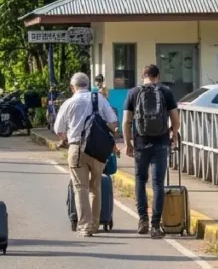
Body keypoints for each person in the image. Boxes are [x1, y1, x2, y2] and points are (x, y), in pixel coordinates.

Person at [53, 72, 119, 237]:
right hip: (98, 149)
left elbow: (58, 129)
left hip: (77, 148)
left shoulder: (69, 102)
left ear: (72, 87)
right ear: (88, 85)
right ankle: (95, 224)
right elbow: (113, 122)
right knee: (95, 187)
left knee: (80, 188)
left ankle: (85, 226)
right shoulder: (99, 99)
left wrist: (65, 139)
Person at [123, 64, 181, 239]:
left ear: (143, 76)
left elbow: (126, 121)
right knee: (158, 184)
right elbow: (175, 119)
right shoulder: (166, 91)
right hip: (161, 143)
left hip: (141, 143)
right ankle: (155, 226)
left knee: (140, 180)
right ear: (158, 76)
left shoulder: (133, 93)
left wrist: (128, 143)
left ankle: (143, 221)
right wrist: (174, 136)